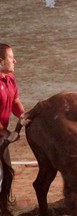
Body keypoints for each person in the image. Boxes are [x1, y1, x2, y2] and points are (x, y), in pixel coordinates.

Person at [0, 43, 24, 214]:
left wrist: (25, 118)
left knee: (8, 172)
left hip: (1, 135)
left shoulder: (11, 79)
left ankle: (3, 207)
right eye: (10, 57)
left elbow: (15, 103)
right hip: (1, 133)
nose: (14, 60)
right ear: (0, 61)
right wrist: (7, 133)